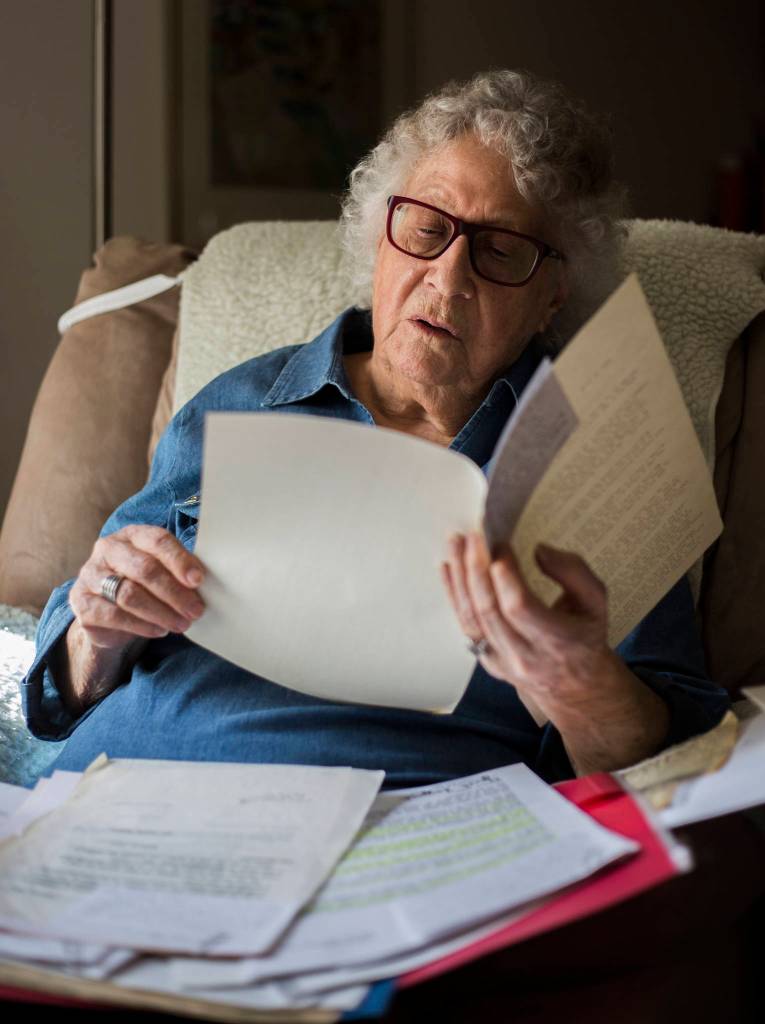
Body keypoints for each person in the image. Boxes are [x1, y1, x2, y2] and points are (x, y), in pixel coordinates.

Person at [23, 70, 728, 784]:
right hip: (126, 787)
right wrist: (99, 631)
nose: (448, 278)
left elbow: (669, 768)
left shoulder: (598, 456)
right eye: (427, 229)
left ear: (552, 295)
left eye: (500, 251)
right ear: (380, 239)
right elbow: (64, 679)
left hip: (394, 828)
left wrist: (578, 685)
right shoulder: (245, 398)